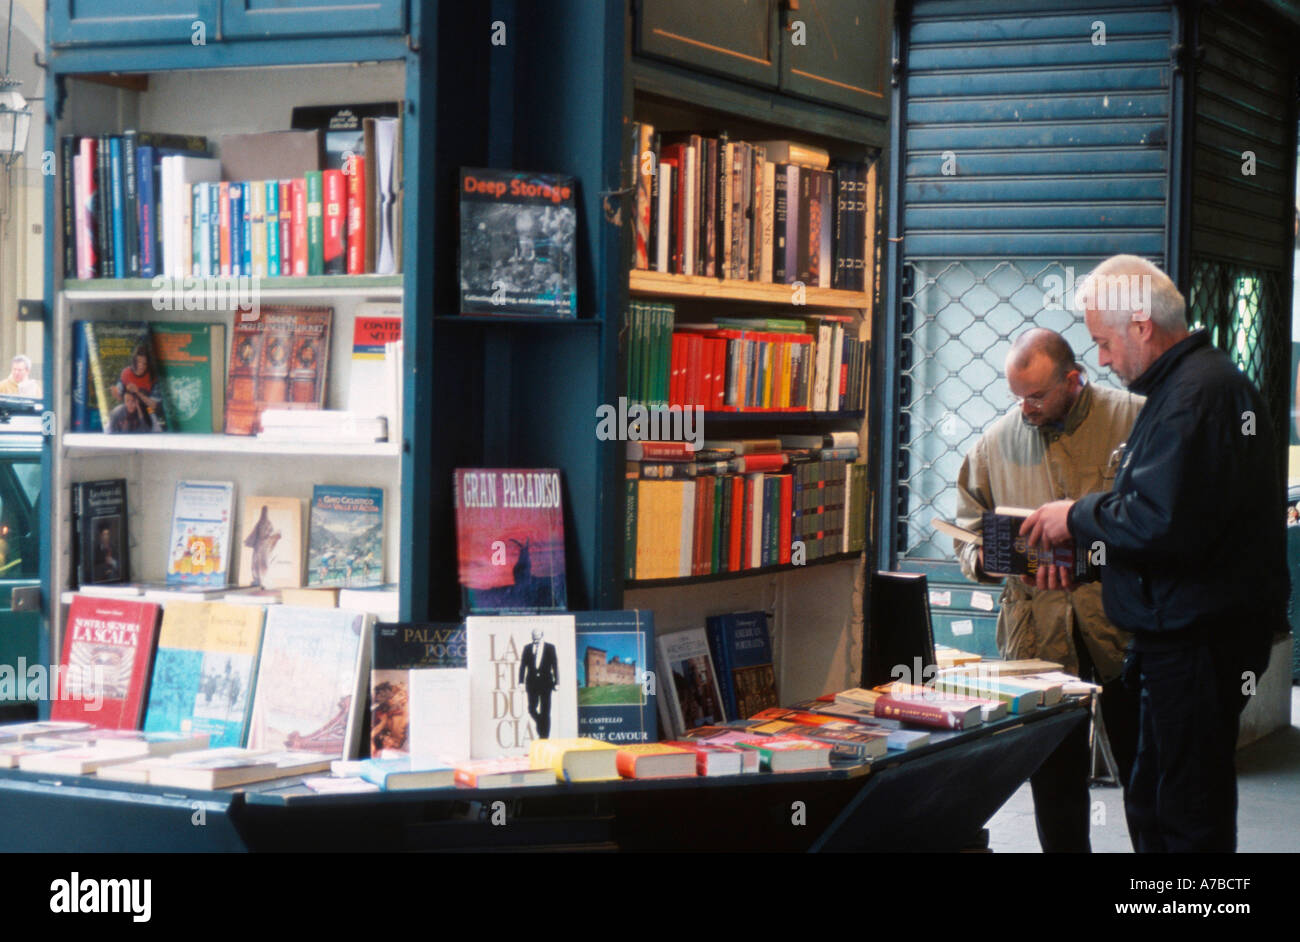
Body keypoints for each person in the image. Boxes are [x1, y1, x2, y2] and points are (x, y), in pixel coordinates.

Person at [1022, 254, 1288, 853]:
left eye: (1104, 343)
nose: (1103, 360)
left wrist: (1076, 515)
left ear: (1140, 325)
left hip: (1196, 640)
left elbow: (1160, 520)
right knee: (1159, 800)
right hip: (1187, 633)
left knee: (1182, 812)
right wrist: (1088, 561)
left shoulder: (1197, 396)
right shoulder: (1193, 388)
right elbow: (1180, 521)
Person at [954, 327, 1143, 852]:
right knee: (1055, 782)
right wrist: (994, 563)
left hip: (1124, 628)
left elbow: (1169, 519)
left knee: (1145, 776)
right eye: (1017, 397)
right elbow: (967, 531)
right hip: (1038, 637)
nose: (1026, 409)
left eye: (1036, 396)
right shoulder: (996, 441)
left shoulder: (1135, 418)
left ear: (1074, 379)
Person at [519, 627, 559, 739]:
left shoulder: (550, 648)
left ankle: (544, 736)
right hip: (531, 683)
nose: (535, 636)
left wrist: (557, 682)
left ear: (542, 635)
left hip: (546, 683)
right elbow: (523, 666)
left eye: (537, 634)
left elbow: (554, 665)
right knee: (531, 708)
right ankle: (542, 724)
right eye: (534, 634)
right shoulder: (527, 648)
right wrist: (521, 682)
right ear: (532, 636)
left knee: (546, 710)